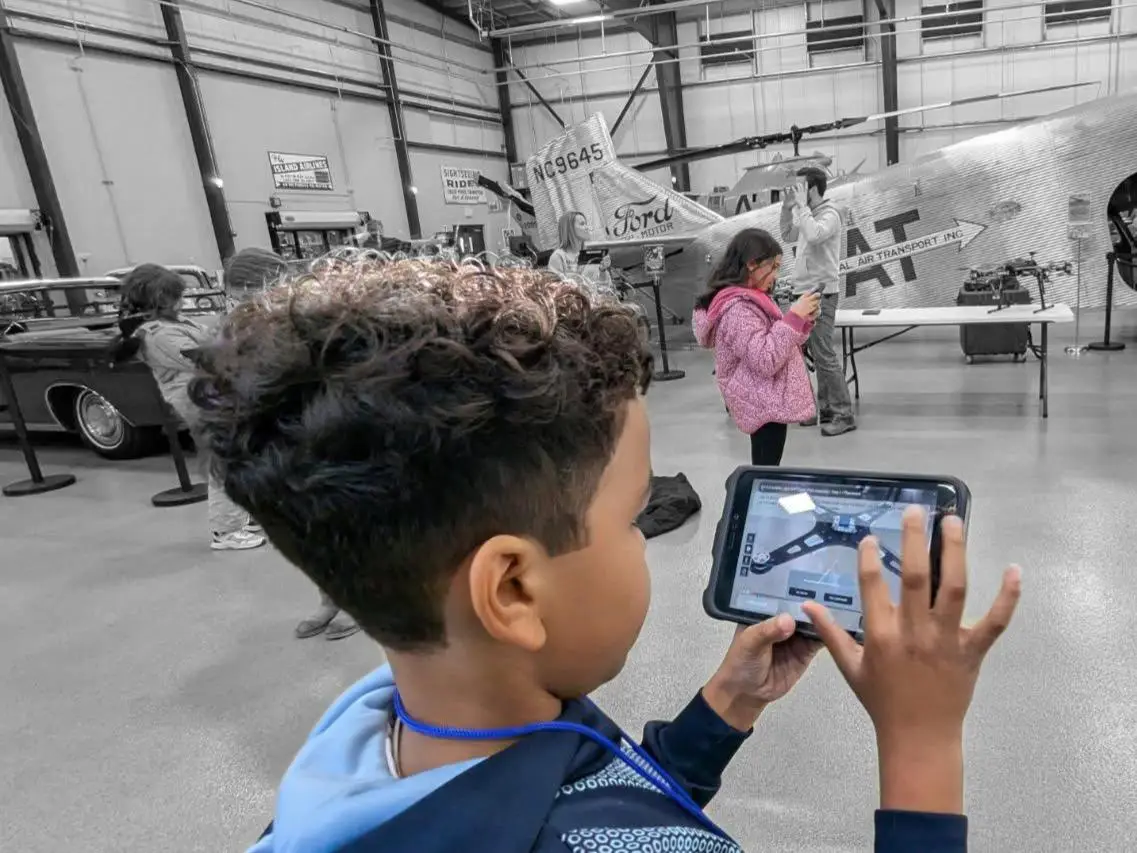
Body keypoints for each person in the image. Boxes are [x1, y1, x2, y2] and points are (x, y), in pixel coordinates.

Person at [189, 259, 1021, 853]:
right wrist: (921, 746)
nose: (646, 539)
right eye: (632, 519)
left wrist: (718, 714)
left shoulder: (364, 734)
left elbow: (584, 799)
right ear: (512, 589)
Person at [223, 248, 359, 641]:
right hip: (279, 439)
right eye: (234, 295)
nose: (239, 302)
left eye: (245, 293)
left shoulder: (313, 318)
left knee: (346, 529)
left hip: (324, 435)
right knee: (307, 532)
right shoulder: (237, 326)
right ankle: (328, 600)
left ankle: (359, 602)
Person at [117, 264, 265, 551]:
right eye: (176, 296)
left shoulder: (174, 324)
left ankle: (236, 518)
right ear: (159, 299)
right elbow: (205, 358)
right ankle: (226, 530)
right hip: (200, 400)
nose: (182, 301)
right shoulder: (159, 334)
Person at [694, 229, 819, 466]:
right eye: (773, 267)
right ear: (752, 264)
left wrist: (801, 321)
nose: (776, 275)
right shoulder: (738, 310)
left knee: (767, 463)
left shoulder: (754, 297)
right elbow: (765, 359)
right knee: (766, 467)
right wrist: (792, 318)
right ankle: (757, 498)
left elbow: (780, 342)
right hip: (761, 400)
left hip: (766, 397)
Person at [780, 166, 856, 437]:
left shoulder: (830, 214)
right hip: (804, 292)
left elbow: (813, 235)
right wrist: (787, 208)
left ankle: (843, 414)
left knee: (824, 354)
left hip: (821, 292)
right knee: (815, 351)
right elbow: (788, 235)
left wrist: (802, 207)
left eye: (799, 186)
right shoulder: (807, 213)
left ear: (811, 188)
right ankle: (824, 408)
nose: (795, 190)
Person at [547, 210, 611, 287]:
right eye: (582, 224)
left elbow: (605, 288)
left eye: (586, 224)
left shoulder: (593, 253)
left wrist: (602, 270)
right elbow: (555, 288)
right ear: (569, 228)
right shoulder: (558, 256)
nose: (587, 227)